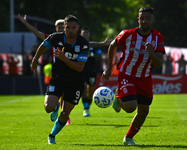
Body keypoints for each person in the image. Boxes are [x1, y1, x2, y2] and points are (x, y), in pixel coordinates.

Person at [102, 6, 165, 145]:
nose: (144, 21)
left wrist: (151, 53)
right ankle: (119, 97)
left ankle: (128, 138)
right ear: (138, 19)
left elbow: (159, 63)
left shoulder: (158, 37)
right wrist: (108, 67)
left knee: (144, 111)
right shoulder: (127, 34)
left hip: (144, 76)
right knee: (130, 107)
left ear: (153, 20)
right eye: (142, 18)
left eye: (147, 18)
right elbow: (112, 45)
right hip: (127, 74)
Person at [31, 15, 89, 144]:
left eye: (74, 27)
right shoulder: (55, 37)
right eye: (68, 27)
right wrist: (35, 60)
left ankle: (52, 135)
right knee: (48, 107)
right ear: (64, 28)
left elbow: (80, 67)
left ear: (78, 28)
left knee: (65, 114)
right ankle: (55, 106)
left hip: (75, 82)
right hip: (58, 78)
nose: (71, 30)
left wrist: (64, 58)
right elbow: (43, 45)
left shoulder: (83, 43)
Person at [80, 27, 112, 117]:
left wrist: (91, 55)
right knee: (83, 89)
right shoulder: (78, 44)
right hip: (81, 70)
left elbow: (100, 57)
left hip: (92, 70)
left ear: (89, 34)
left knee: (90, 91)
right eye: (84, 32)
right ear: (81, 34)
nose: (85, 34)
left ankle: (87, 107)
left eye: (87, 32)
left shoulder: (94, 46)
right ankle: (85, 108)